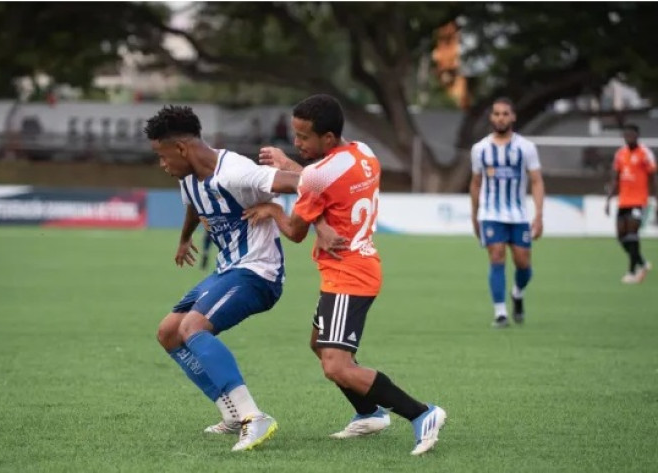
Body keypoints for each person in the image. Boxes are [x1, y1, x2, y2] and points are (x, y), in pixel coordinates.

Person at [243, 94, 447, 456]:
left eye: (304, 137)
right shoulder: (364, 153)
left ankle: (422, 414)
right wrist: (297, 169)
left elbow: (294, 230)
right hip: (360, 264)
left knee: (336, 366)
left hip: (348, 274)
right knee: (318, 344)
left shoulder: (318, 175)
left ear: (328, 139)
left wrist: (274, 208)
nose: (297, 142)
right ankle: (368, 413)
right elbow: (323, 183)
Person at [144, 105, 300, 452]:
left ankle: (253, 416)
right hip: (227, 270)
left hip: (259, 272)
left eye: (161, 155)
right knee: (169, 332)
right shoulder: (188, 177)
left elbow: (300, 184)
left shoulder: (237, 171)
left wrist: (277, 210)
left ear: (182, 148)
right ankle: (231, 414)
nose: (161, 164)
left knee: (193, 328)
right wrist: (185, 239)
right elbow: (194, 205)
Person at [469, 97, 545, 328]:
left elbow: (536, 181)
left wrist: (539, 215)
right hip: (490, 213)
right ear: (491, 117)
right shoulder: (480, 149)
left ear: (513, 117)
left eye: (505, 113)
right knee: (496, 255)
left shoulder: (526, 147)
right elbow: (475, 183)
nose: (500, 117)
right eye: (496, 113)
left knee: (523, 264)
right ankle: (500, 312)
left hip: (518, 214)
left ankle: (518, 293)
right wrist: (475, 214)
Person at [604, 123, 657, 283]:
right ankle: (643, 263)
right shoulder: (620, 154)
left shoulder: (645, 153)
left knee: (632, 235)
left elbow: (653, 178)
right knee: (622, 237)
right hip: (623, 201)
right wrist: (608, 199)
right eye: (626, 134)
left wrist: (655, 199)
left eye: (632, 134)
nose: (628, 137)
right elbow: (616, 178)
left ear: (637, 135)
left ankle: (632, 272)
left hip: (639, 201)